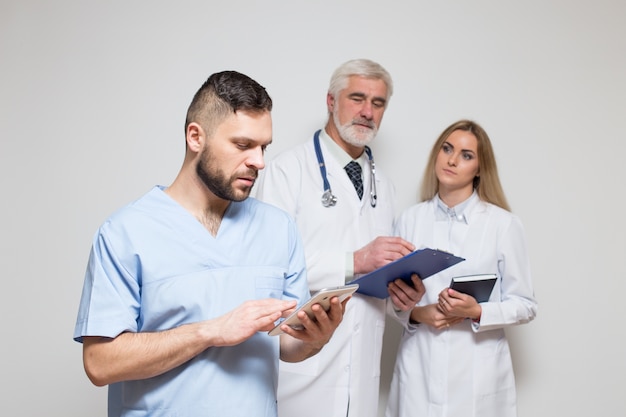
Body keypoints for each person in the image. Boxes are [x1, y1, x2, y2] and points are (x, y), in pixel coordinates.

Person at [73, 70, 348, 417]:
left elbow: (288, 345)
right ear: (195, 137)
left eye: (264, 147)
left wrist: (317, 336)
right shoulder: (125, 232)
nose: (259, 161)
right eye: (243, 145)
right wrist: (211, 331)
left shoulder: (279, 229)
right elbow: (100, 363)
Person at [255, 58, 425, 417]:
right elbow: (266, 268)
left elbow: (381, 278)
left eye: (378, 103)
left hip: (362, 375)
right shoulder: (287, 172)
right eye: (357, 98)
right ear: (331, 102)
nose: (367, 111)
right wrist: (354, 262)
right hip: (302, 372)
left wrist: (402, 300)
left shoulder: (387, 188)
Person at [385, 119, 538, 417]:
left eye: (466, 155)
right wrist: (417, 314)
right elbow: (389, 297)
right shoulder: (409, 220)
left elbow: (526, 305)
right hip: (419, 366)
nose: (452, 160)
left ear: (480, 168)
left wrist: (477, 311)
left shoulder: (503, 225)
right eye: (447, 149)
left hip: (477, 372)